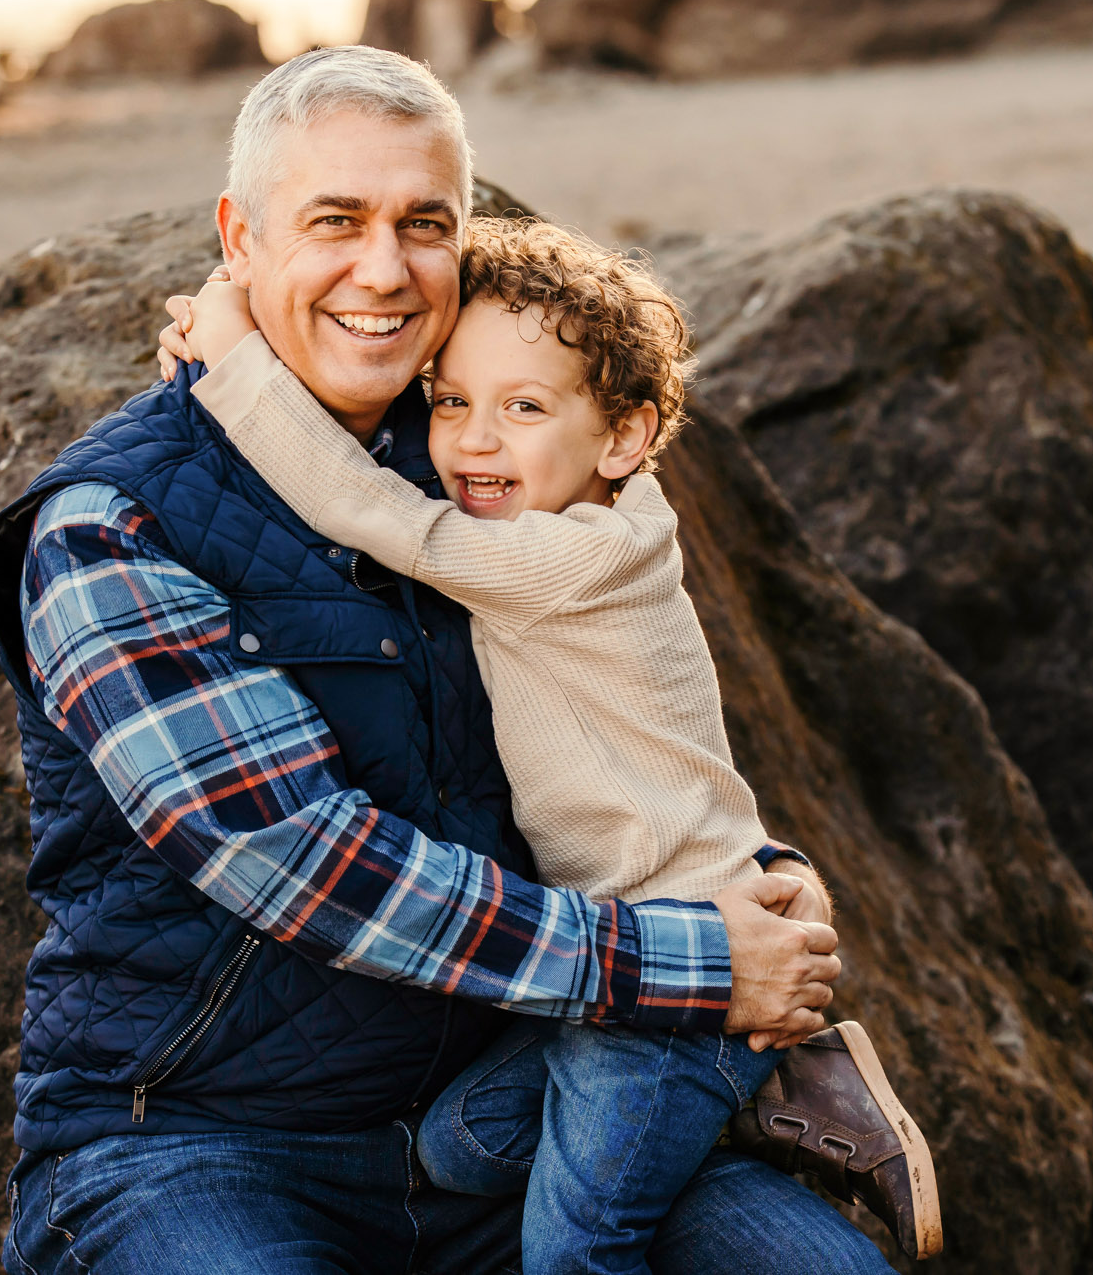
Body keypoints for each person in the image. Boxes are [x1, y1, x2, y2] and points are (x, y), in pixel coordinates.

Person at [0, 44, 897, 1273]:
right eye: (334, 222)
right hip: (196, 1138)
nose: (383, 268)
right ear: (238, 241)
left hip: (515, 1088)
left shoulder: (481, 448)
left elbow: (618, 696)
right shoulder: (111, 526)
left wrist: (765, 883)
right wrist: (696, 960)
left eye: (424, 224)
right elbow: (299, 863)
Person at [160, 216, 943, 1271]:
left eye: (521, 408)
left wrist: (233, 363)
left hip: (686, 969)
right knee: (462, 1146)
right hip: (612, 952)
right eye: (449, 402)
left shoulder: (566, 556)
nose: (473, 441)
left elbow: (367, 508)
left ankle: (731, 1081)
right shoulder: (580, 498)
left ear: (622, 437)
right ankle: (765, 1095)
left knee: (578, 1243)